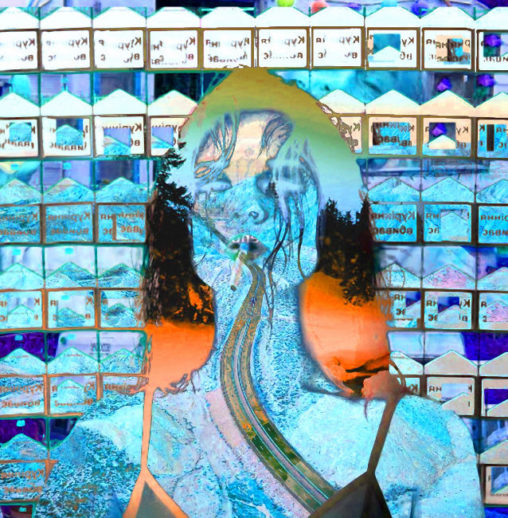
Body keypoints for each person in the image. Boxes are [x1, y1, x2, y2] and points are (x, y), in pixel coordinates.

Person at [34, 68, 483, 518]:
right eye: (216, 185)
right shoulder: (111, 447)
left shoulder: (428, 443)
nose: (250, 210)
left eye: (279, 183)